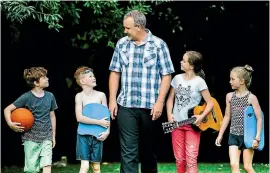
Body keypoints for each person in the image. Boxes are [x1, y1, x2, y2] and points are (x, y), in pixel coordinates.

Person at [108, 10, 175, 173]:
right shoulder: (122, 44)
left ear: (139, 27)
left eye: (128, 28)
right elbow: (115, 72)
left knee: (147, 151)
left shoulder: (159, 45)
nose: (125, 31)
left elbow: (167, 75)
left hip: (150, 107)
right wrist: (112, 100)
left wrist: (159, 102)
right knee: (128, 152)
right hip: (126, 105)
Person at [166, 51, 214, 173]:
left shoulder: (199, 82)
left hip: (192, 126)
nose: (181, 62)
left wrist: (201, 116)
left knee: (191, 160)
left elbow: (211, 103)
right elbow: (170, 99)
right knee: (180, 160)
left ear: (191, 66)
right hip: (177, 125)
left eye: (184, 60)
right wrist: (169, 115)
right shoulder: (176, 79)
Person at [4, 67, 58, 173]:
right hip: (30, 138)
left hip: (46, 136)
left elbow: (52, 116)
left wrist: (53, 136)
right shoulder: (26, 97)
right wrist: (10, 124)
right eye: (44, 77)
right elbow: (7, 109)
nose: (47, 79)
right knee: (31, 170)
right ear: (36, 82)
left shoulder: (50, 96)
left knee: (47, 164)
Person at [215, 65, 263, 173]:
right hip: (233, 135)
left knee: (247, 167)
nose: (230, 81)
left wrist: (257, 137)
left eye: (233, 79)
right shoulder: (229, 96)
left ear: (242, 81)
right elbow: (227, 116)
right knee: (233, 165)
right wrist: (220, 134)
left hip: (248, 136)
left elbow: (259, 118)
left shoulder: (252, 98)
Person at [74, 66, 110, 173]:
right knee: (84, 167)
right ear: (82, 81)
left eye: (93, 76)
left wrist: (107, 131)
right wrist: (99, 122)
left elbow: (106, 115)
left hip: (98, 135)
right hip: (83, 135)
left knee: (96, 167)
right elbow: (79, 117)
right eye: (90, 76)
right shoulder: (79, 96)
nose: (94, 78)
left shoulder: (101, 95)